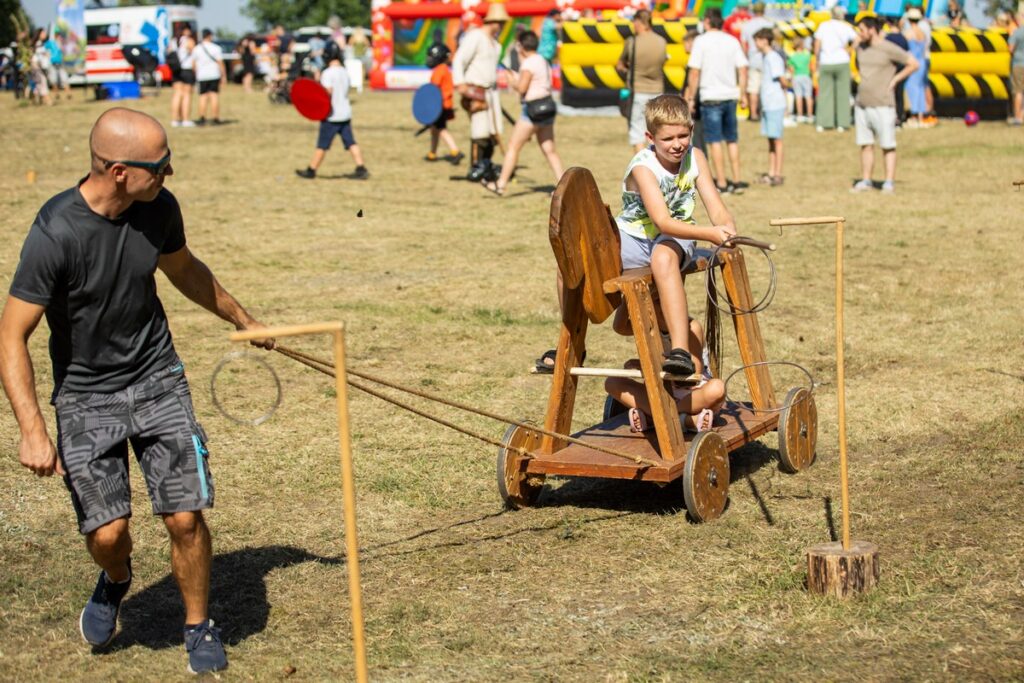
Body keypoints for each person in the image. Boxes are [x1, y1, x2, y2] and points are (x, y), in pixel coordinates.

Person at [0, 107, 272, 675]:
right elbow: (11, 335)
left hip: (157, 379)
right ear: (119, 170)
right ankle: (117, 577)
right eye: (162, 165)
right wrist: (32, 428)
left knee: (185, 517)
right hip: (85, 396)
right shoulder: (56, 233)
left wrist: (243, 318)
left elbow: (183, 269)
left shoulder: (157, 208)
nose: (170, 173)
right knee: (108, 532)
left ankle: (197, 625)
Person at [613, 94, 737, 377]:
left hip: (675, 235)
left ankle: (680, 350)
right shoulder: (643, 167)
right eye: (668, 138)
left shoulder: (696, 157)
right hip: (633, 237)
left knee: (663, 257)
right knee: (578, 266)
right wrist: (709, 232)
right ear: (650, 137)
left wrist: (727, 228)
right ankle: (568, 344)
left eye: (683, 135)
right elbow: (660, 220)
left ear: (691, 131)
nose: (677, 144)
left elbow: (715, 208)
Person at [606, 318, 727, 433]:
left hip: (693, 396)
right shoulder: (648, 325)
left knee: (717, 388)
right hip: (660, 394)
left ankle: (655, 419)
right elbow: (619, 327)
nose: (662, 307)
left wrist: (654, 366)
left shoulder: (691, 327)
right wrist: (623, 299)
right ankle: (684, 421)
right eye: (656, 302)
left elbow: (692, 378)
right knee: (612, 382)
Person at [482, 30, 565, 196]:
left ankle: (501, 184)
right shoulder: (542, 60)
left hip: (532, 110)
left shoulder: (528, 64)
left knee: (513, 146)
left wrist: (512, 81)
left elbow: (521, 88)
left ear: (521, 46)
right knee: (549, 150)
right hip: (547, 107)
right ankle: (564, 187)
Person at [684, 8, 749, 194]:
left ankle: (721, 182)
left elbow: (694, 72)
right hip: (730, 96)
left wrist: (690, 98)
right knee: (732, 139)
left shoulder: (701, 42)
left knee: (714, 141)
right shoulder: (732, 40)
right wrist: (743, 94)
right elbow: (743, 69)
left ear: (706, 22)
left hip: (710, 96)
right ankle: (736, 180)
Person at [850, 16, 918, 193]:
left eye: (862, 30)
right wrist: (854, 46)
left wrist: (895, 80)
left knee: (887, 145)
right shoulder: (860, 48)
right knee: (865, 144)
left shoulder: (888, 48)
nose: (860, 33)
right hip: (862, 104)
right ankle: (866, 180)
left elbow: (913, 63)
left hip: (883, 104)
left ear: (872, 29)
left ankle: (889, 182)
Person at [295, 42, 369, 180]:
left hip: (332, 115)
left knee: (322, 144)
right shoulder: (344, 72)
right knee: (351, 142)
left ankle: (311, 170)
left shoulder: (328, 73)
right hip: (345, 113)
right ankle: (361, 167)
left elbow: (326, 94)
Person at [452, 1, 507, 182]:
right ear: (492, 21)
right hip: (476, 90)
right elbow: (459, 59)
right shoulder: (475, 36)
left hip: (491, 92)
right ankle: (476, 167)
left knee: (494, 130)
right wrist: (460, 83)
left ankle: (486, 164)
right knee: (479, 130)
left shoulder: (495, 43)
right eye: (499, 22)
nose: (500, 26)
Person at [616, 9, 667, 152]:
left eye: (634, 22)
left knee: (637, 134)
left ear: (639, 22)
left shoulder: (632, 42)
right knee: (656, 132)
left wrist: (626, 70)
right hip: (658, 92)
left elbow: (620, 64)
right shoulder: (662, 42)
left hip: (638, 91)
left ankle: (642, 169)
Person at [813, 5, 856, 132]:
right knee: (843, 93)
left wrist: (817, 59)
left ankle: (823, 122)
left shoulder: (823, 26)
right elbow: (857, 38)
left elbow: (817, 44)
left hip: (826, 61)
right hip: (842, 60)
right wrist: (849, 50)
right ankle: (842, 123)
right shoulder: (846, 26)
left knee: (825, 93)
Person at [754, 28, 788, 186]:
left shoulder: (773, 57)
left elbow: (782, 80)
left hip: (775, 103)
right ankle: (771, 171)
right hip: (768, 104)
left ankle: (778, 174)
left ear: (765, 40)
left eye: (758, 40)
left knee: (777, 140)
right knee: (771, 140)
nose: (755, 43)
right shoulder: (766, 57)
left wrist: (785, 99)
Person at [423, 43, 464, 164]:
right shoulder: (444, 69)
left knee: (441, 129)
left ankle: (455, 151)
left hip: (440, 105)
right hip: (443, 104)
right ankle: (432, 153)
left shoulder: (440, 70)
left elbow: (434, 89)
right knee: (435, 129)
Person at [739, 2, 773, 121]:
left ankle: (753, 113)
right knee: (767, 85)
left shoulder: (747, 24)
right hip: (767, 57)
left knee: (753, 87)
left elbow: (743, 43)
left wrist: (745, 56)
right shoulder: (769, 23)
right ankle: (765, 112)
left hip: (752, 58)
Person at [901, 7, 931, 127]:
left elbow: (904, 48)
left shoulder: (908, 33)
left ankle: (913, 115)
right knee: (920, 89)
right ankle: (920, 116)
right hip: (922, 62)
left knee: (911, 88)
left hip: (912, 63)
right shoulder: (922, 33)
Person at [680, 28, 706, 155]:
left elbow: (689, 86)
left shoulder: (694, 63)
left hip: (694, 104)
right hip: (698, 103)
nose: (684, 46)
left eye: (685, 43)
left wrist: (688, 101)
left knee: (697, 140)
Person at [193, 29, 225, 126]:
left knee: (203, 96)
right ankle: (215, 118)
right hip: (214, 74)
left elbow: (193, 64)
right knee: (214, 96)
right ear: (209, 36)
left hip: (202, 75)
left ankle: (202, 117)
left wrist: (196, 74)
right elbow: (220, 63)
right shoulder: (216, 48)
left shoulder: (197, 48)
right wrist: (223, 75)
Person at [170, 27, 196, 128]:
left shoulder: (172, 41)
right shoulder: (189, 41)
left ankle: (175, 120)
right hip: (187, 69)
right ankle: (186, 119)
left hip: (176, 70)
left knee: (177, 94)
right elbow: (194, 56)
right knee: (187, 95)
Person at [787, 38, 814, 123]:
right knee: (808, 96)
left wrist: (791, 78)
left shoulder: (792, 57)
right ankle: (809, 115)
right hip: (806, 76)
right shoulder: (807, 56)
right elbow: (811, 67)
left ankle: (800, 115)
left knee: (798, 96)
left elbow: (791, 69)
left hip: (796, 77)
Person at [1010, 11, 1024, 126]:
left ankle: (1018, 117)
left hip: (1019, 64)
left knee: (1018, 91)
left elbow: (1010, 49)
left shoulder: (1017, 32)